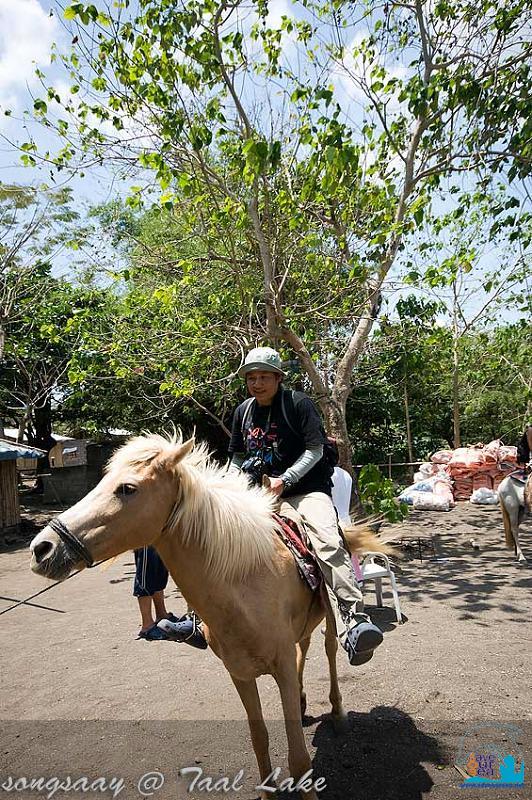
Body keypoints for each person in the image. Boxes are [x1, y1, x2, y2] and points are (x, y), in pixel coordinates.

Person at [228, 346, 383, 666]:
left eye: (263, 377)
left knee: (327, 541)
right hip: (259, 494)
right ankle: (203, 620)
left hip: (306, 492)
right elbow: (237, 456)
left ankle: (354, 620)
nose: (256, 383)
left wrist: (284, 479)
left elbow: (314, 450)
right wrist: (229, 483)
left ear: (279, 378)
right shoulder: (243, 411)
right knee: (219, 536)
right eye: (251, 378)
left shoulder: (299, 405)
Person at [133, 545, 177, 640]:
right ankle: (147, 626)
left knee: (159, 572)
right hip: (144, 537)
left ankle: (162, 615)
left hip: (156, 534)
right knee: (145, 577)